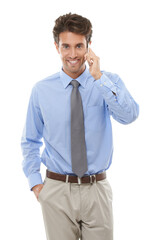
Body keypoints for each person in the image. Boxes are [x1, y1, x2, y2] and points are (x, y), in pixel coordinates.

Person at [21, 13, 139, 240]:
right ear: (57, 47)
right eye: (66, 46)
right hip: (56, 190)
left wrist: (99, 79)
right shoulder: (41, 90)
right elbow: (30, 140)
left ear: (89, 46)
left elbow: (129, 116)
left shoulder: (106, 81)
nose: (73, 54)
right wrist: (36, 184)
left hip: (97, 189)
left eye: (79, 46)